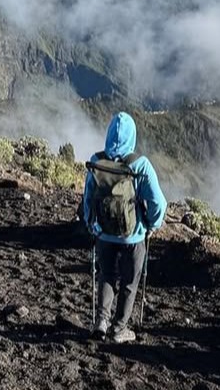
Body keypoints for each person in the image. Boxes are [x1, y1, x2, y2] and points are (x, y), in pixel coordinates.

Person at [83, 111, 167, 344]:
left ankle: (101, 322)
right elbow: (158, 203)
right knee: (130, 281)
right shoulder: (140, 165)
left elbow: (88, 197)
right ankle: (119, 329)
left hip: (103, 234)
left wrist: (91, 224)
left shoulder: (96, 162)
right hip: (133, 236)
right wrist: (152, 224)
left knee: (107, 275)